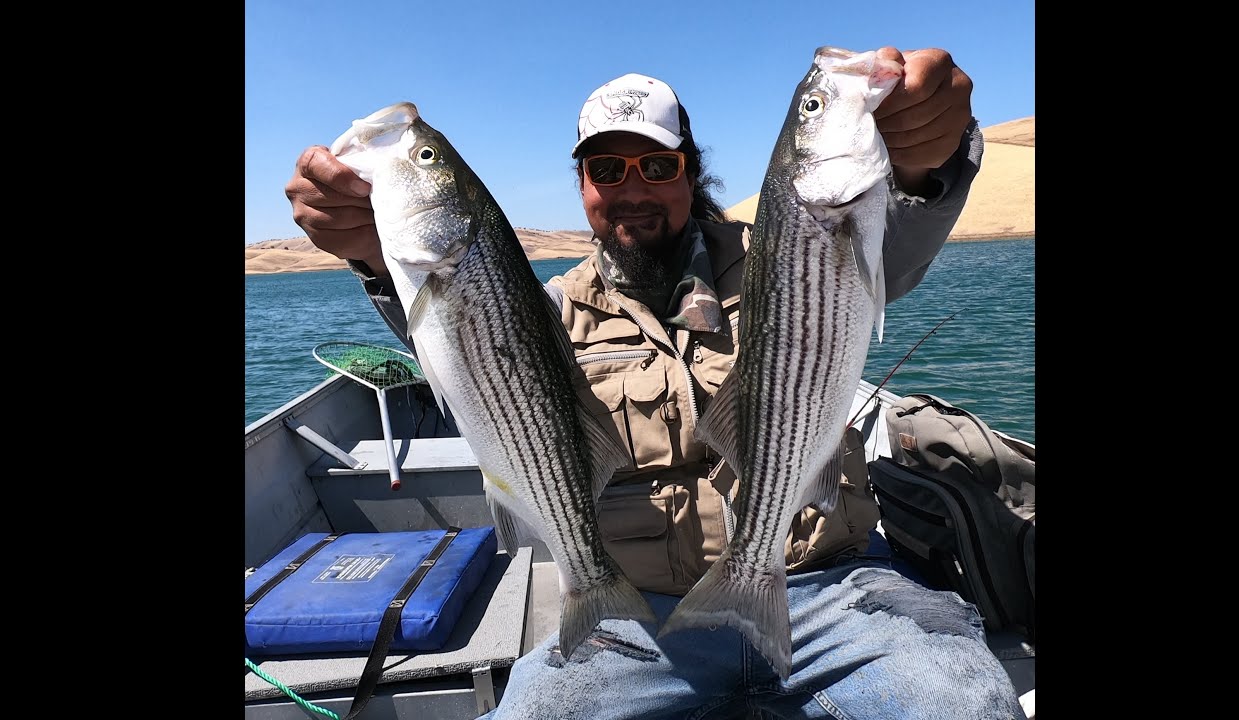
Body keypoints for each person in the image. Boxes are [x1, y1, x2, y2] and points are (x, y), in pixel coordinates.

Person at [285, 47, 1026, 720]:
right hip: (636, 621)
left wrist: (932, 157)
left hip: (837, 592)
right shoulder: (542, 308)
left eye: (657, 166)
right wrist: (377, 259)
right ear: (581, 185)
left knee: (964, 700)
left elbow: (906, 219)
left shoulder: (788, 246)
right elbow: (472, 349)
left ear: (691, 173)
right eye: (607, 170)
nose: (631, 189)